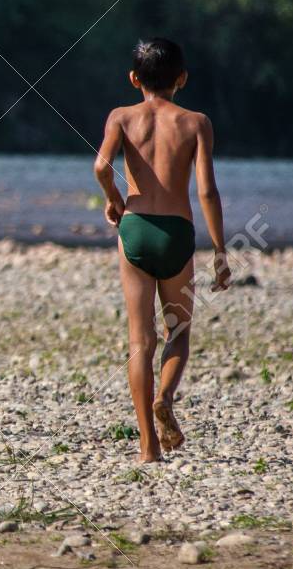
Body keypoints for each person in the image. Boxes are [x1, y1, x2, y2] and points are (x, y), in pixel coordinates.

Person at [93, 38, 230, 463]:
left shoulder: (120, 117)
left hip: (134, 228)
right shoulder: (197, 123)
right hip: (177, 233)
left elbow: (100, 166)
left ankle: (148, 446)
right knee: (179, 331)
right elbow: (206, 189)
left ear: (134, 79)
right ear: (182, 79)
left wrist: (114, 198)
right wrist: (220, 250)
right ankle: (165, 397)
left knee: (140, 340)